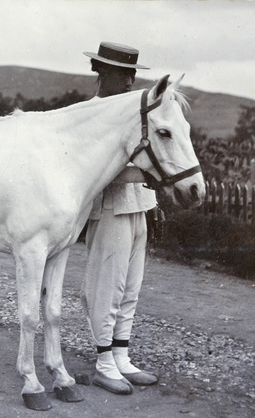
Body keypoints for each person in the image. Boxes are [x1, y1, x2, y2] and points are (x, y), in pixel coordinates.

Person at [80, 42, 158, 395]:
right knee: (106, 288)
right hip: (108, 207)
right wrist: (146, 176)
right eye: (122, 74)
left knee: (130, 288)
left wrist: (151, 196)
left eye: (132, 75)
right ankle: (104, 363)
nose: (129, 82)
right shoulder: (87, 116)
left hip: (137, 205)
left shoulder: (130, 113)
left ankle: (122, 357)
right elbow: (93, 172)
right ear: (101, 72)